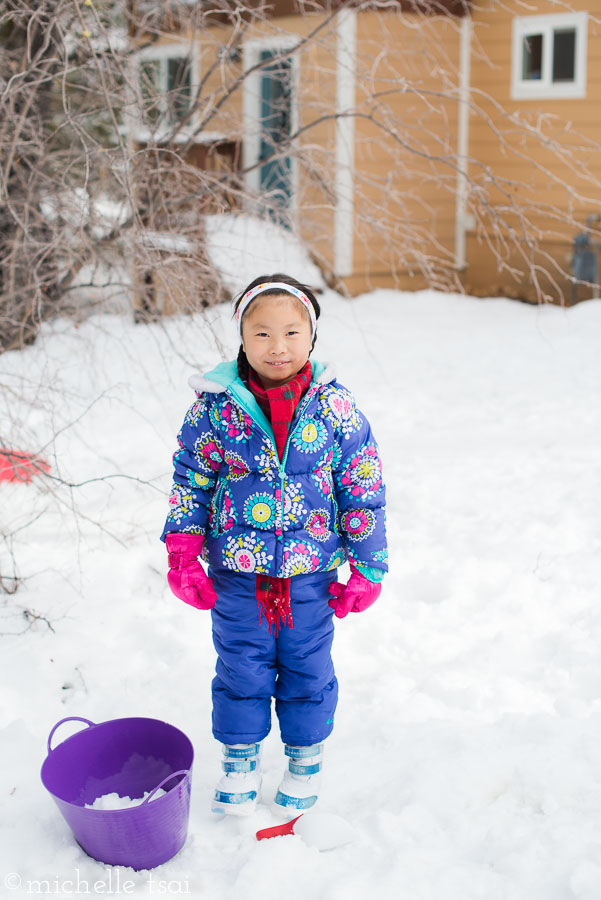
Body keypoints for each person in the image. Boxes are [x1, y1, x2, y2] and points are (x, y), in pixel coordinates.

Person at [162, 273, 388, 816]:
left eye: (291, 332)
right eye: (262, 333)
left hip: (309, 575)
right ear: (241, 336)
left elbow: (362, 488)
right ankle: (239, 761)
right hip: (238, 572)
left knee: (309, 666)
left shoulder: (336, 409)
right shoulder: (214, 407)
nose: (278, 346)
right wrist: (182, 553)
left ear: (312, 336)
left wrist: (367, 567)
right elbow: (191, 480)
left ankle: (304, 758)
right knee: (240, 663)